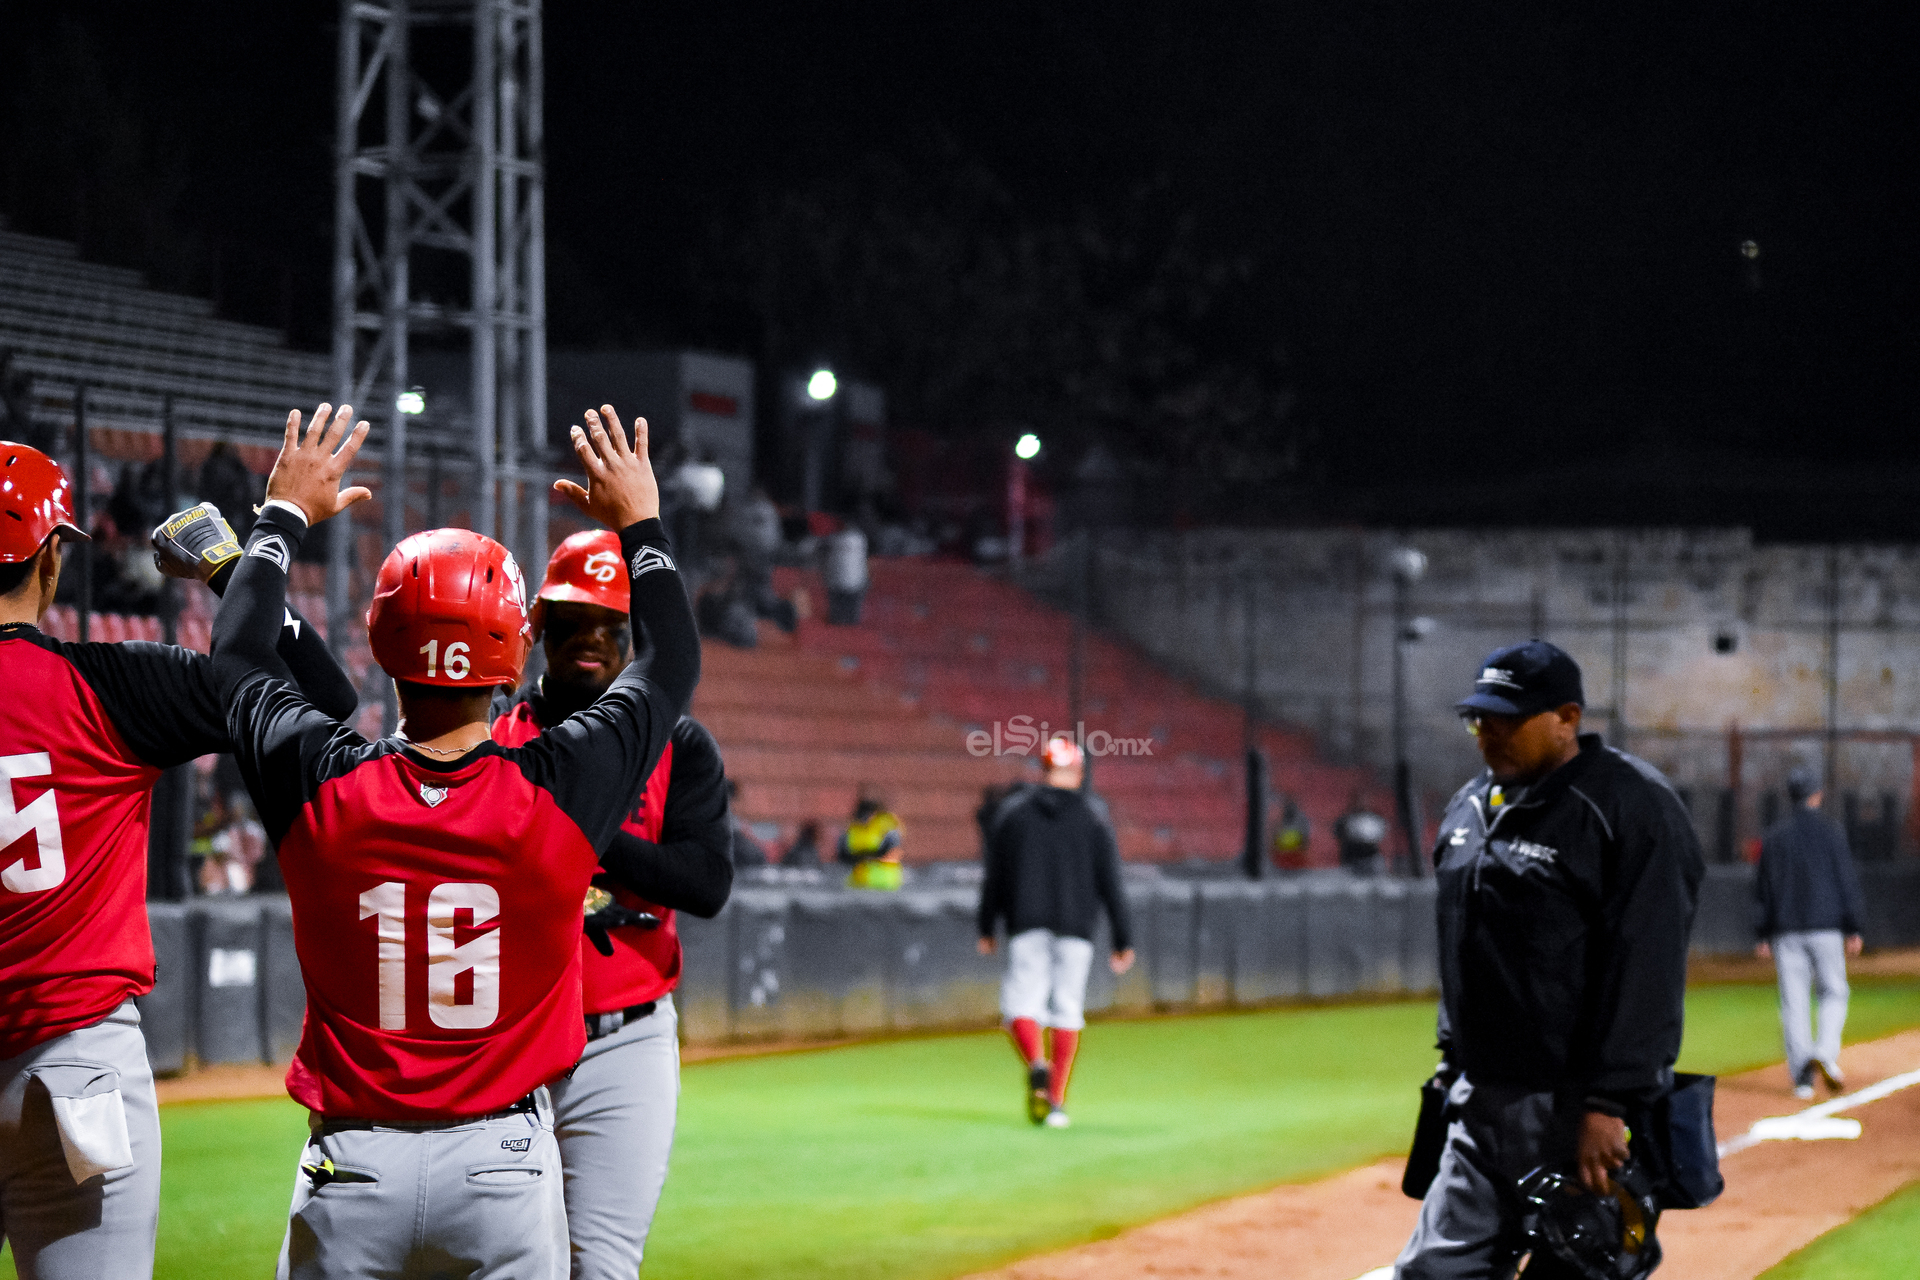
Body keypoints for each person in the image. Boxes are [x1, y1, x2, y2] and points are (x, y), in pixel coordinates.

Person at [208, 403, 698, 1279]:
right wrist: (641, 524)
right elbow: (671, 663)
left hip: (352, 1163)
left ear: (379, 640)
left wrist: (280, 517)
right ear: (517, 648)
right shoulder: (557, 789)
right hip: (502, 1167)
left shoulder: (321, 781)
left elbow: (239, 654)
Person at [0, 444, 353, 1280]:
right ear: (51, 559)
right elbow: (323, 699)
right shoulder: (110, 686)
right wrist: (232, 563)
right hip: (73, 1066)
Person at [1394, 640, 1705, 1279]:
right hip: (1481, 1098)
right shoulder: (1469, 807)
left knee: (1577, 1268)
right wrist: (1453, 1062)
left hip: (1576, 1107)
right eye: (1480, 720)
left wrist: (1609, 1103)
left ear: (1567, 718)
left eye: (1508, 720)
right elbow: (1464, 948)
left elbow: (1647, 963)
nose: (1490, 735)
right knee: (1433, 1273)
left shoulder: (1627, 804)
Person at [490, 527, 734, 1278]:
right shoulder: (496, 737)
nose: (591, 638)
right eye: (573, 620)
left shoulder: (680, 745)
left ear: (633, 636)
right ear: (542, 627)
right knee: (500, 1261)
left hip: (624, 1041)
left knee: (600, 1265)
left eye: (610, 623)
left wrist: (579, 824)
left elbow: (705, 883)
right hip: (510, 1038)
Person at [976, 738, 1136, 1129]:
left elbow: (996, 876)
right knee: (1068, 1008)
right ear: (1078, 773)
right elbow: (1111, 880)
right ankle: (1056, 1102)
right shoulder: (1093, 817)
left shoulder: (1014, 814)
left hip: (1026, 923)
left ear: (1044, 770)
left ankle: (1036, 1064)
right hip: (1076, 927)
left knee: (1020, 1006)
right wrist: (1123, 937)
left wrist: (986, 924)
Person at [1754, 766, 1865, 1101]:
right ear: (1817, 793)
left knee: (1794, 1001)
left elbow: (1763, 888)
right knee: (1834, 992)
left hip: (1786, 931)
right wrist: (1854, 926)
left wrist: (1761, 933)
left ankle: (1803, 1077)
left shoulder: (1774, 836)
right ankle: (1825, 1052)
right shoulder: (1831, 832)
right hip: (1827, 928)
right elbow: (1846, 880)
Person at [838, 788, 903, 889]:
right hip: (858, 882)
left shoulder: (887, 826)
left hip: (884, 883)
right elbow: (843, 855)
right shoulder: (853, 828)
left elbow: (893, 852)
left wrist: (868, 857)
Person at [1334, 791, 1389, 875]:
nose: (1361, 804)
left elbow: (1381, 838)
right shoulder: (1345, 820)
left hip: (1370, 857)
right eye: (1358, 801)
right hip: (1352, 857)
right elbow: (1338, 834)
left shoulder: (1375, 819)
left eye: (1364, 801)